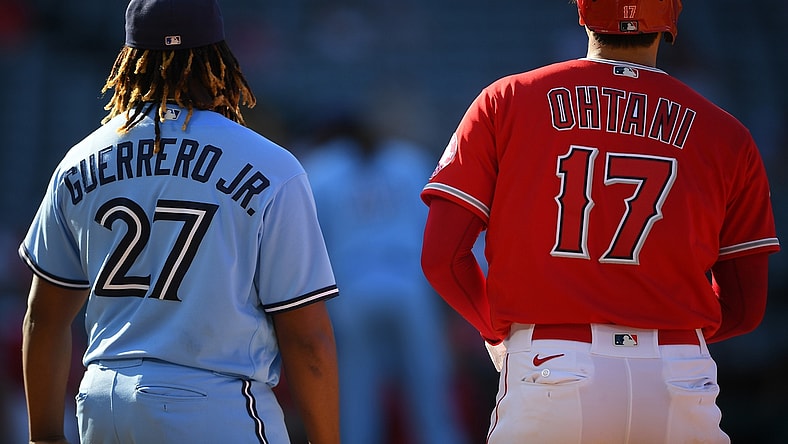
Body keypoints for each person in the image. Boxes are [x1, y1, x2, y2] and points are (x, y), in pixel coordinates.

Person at [419, 0, 781, 442]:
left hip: (550, 362)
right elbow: (745, 306)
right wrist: (665, 326)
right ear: (670, 20)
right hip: (679, 373)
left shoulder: (506, 99)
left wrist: (499, 328)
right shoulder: (729, 134)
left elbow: (442, 258)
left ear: (584, 12)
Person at [17, 1, 339, 443]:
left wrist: (44, 437)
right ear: (219, 59)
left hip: (103, 402)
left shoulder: (79, 161)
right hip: (213, 402)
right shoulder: (271, 166)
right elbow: (308, 339)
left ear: (129, 59)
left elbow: (43, 318)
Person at [301, 115, 467, 444]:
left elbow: (312, 244)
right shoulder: (408, 160)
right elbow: (437, 232)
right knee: (430, 393)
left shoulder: (322, 168)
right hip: (408, 286)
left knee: (357, 399)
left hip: (353, 291)